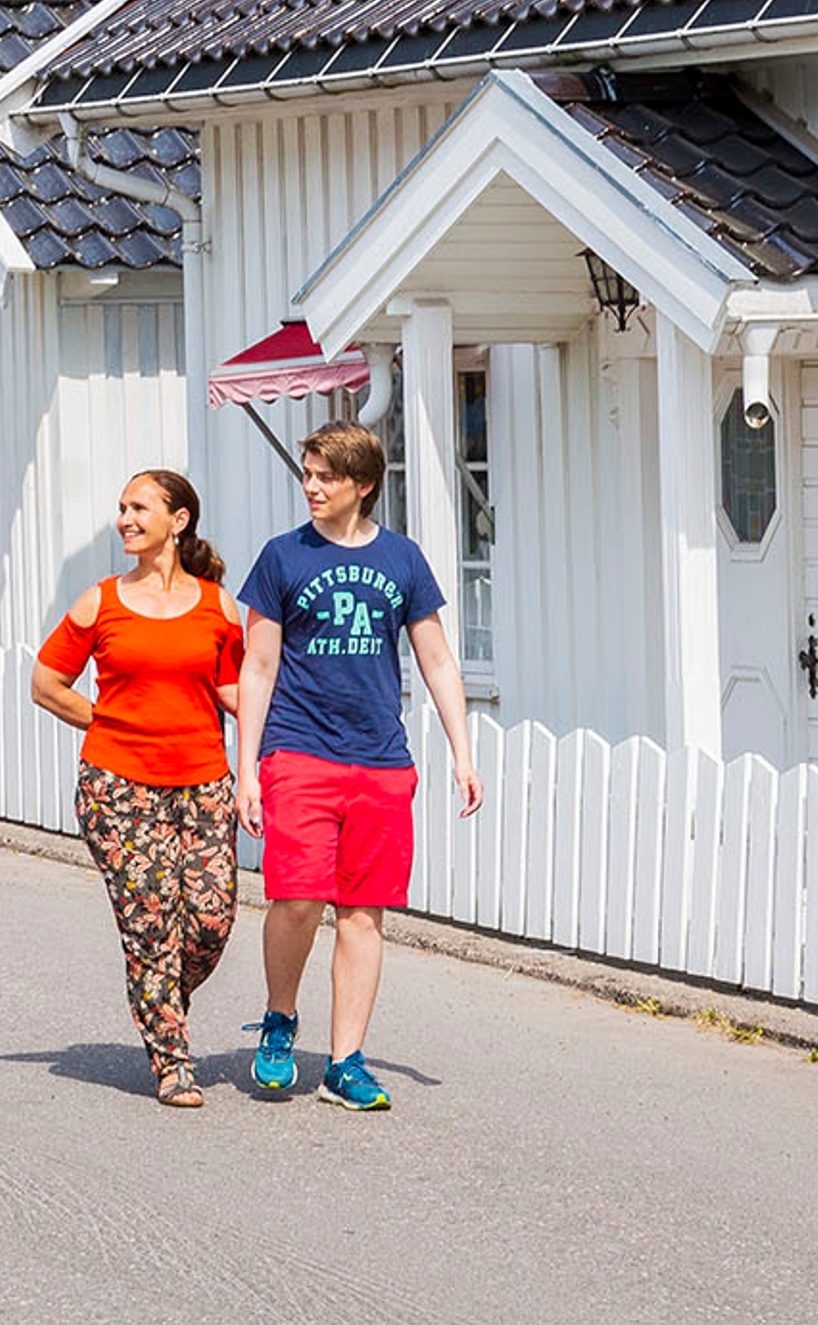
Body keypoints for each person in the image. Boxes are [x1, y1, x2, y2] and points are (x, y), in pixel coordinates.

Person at [232, 420, 484, 1111]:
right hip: (297, 750)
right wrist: (247, 768)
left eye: (326, 476)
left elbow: (435, 657)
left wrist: (463, 752)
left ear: (363, 486)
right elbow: (257, 665)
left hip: (379, 760)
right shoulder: (282, 558)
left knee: (364, 913)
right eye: (307, 474)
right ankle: (280, 1021)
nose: (311, 486)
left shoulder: (403, 560)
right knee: (298, 897)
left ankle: (346, 1061)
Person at [30, 469, 246, 1107]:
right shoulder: (100, 602)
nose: (125, 518)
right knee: (150, 923)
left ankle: (160, 999)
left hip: (205, 785)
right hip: (118, 788)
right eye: (121, 508)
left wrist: (289, 725)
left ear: (178, 521)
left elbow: (235, 691)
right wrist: (105, 719)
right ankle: (172, 1059)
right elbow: (46, 684)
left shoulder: (217, 604)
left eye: (139, 507)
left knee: (210, 922)